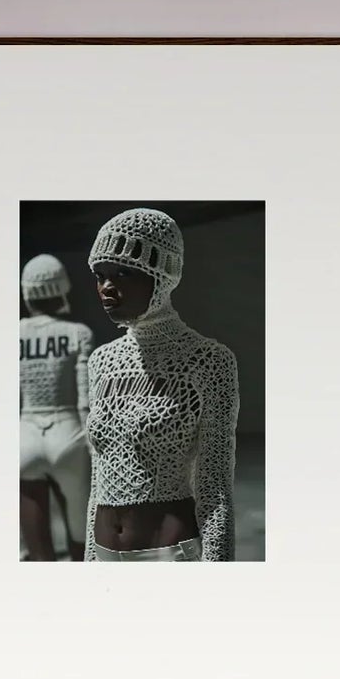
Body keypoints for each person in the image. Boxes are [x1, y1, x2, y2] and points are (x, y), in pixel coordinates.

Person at [83, 208, 239, 563]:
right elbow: (98, 479)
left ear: (162, 275)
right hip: (105, 551)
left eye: (124, 272)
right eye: (100, 274)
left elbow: (214, 487)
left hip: (168, 553)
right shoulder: (101, 362)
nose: (107, 287)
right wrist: (89, 557)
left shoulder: (208, 360)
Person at [18, 253, 94, 561]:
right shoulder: (78, 333)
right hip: (68, 433)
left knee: (38, 551)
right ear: (61, 288)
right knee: (80, 531)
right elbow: (85, 398)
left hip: (25, 434)